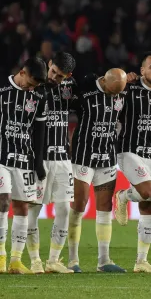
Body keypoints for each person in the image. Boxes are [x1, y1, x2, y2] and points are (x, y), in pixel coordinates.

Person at [68, 68, 128, 273]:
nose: (114, 96)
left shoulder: (121, 95)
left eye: (118, 92)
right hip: (83, 157)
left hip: (108, 157)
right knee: (79, 205)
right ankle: (72, 260)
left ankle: (104, 261)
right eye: (112, 91)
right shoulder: (85, 95)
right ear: (103, 81)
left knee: (105, 208)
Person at [114, 52, 151, 273]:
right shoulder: (130, 90)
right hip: (129, 151)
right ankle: (123, 196)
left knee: (148, 205)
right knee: (146, 191)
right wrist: (125, 81)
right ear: (142, 71)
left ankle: (141, 261)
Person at [26, 52, 77, 274]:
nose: (54, 77)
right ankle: (35, 260)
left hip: (63, 159)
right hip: (38, 158)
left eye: (60, 75)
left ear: (68, 76)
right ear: (49, 64)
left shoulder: (70, 87)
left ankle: (53, 260)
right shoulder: (35, 85)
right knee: (33, 210)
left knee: (64, 210)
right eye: (53, 71)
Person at [0, 57, 48, 274]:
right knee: (3, 202)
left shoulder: (39, 96)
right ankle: (0, 256)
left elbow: (39, 131)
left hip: (24, 158)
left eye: (35, 86)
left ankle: (15, 261)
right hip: (1, 158)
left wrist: (38, 161)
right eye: (30, 83)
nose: (31, 88)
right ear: (21, 72)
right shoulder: (2, 90)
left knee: (22, 207)